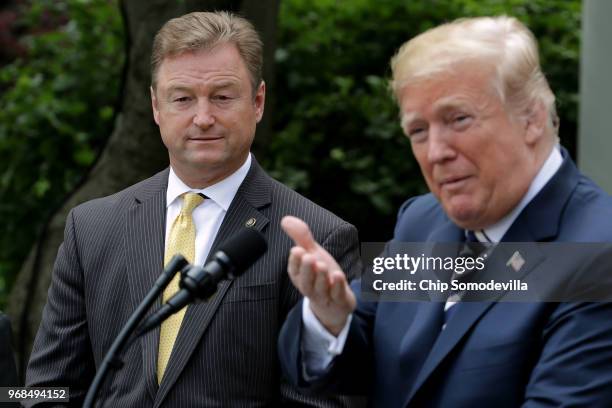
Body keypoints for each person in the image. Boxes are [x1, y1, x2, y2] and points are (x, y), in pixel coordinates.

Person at [26, 11, 364, 407]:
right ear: (156, 106)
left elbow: (320, 400)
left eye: (222, 96)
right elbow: (45, 389)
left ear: (257, 101)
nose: (203, 118)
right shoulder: (91, 227)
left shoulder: (319, 237)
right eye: (183, 98)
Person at [278, 16, 612, 407]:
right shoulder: (422, 220)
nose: (436, 152)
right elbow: (362, 360)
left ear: (532, 118)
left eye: (459, 119)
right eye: (418, 130)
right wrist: (328, 317)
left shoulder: (597, 253)